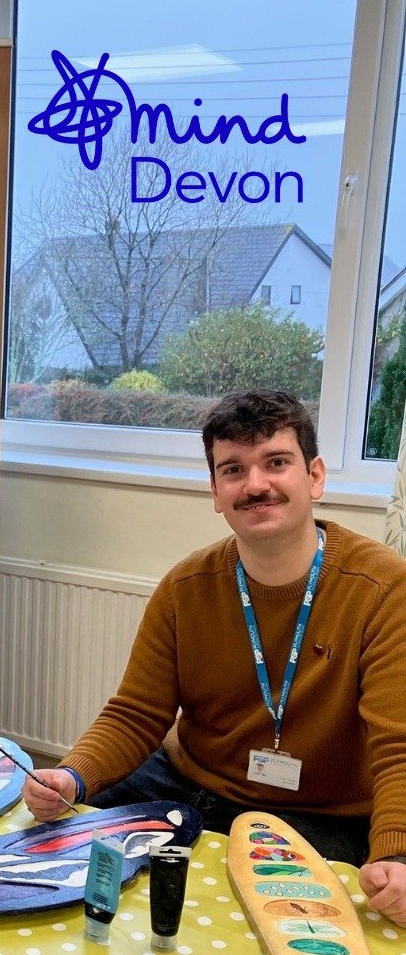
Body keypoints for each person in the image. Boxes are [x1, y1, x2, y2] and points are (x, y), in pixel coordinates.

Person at [22, 389, 406, 926]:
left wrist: (396, 854)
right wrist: (71, 776)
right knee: (50, 861)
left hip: (319, 811)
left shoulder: (384, 589)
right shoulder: (185, 587)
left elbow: (398, 746)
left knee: (288, 928)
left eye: (277, 462)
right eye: (233, 470)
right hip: (187, 781)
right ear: (216, 492)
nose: (255, 485)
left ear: (315, 477)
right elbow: (136, 714)